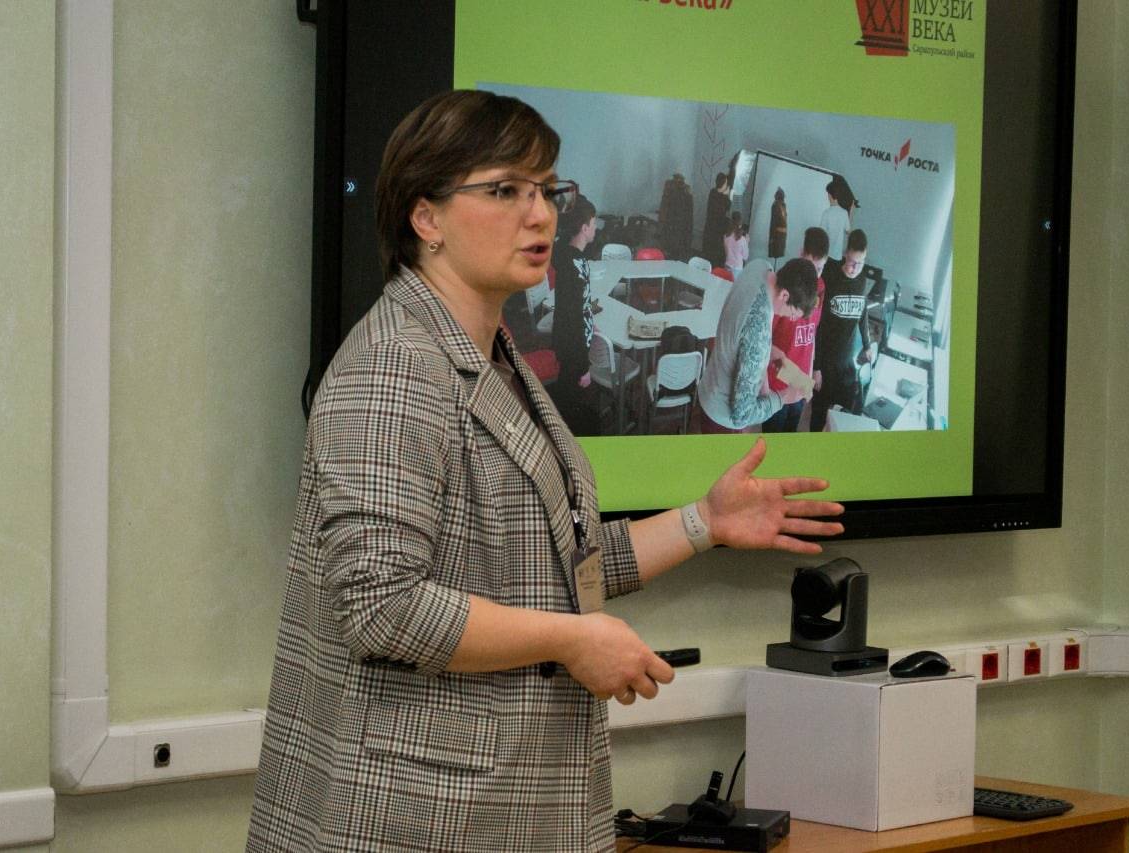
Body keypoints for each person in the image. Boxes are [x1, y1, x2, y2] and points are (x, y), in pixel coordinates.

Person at [246, 90, 845, 853]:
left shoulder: (494, 359)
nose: (541, 215)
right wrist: (571, 639)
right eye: (506, 191)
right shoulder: (396, 364)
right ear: (425, 217)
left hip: (499, 807)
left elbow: (560, 564)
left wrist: (705, 522)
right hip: (417, 818)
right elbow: (383, 605)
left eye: (545, 190)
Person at [696, 258, 810, 433]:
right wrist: (783, 397)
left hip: (710, 387)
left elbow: (743, 333)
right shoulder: (758, 332)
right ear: (784, 295)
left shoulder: (760, 267)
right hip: (722, 419)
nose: (792, 319)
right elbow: (742, 415)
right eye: (793, 313)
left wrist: (766, 352)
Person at [809, 228, 875, 431]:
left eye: (860, 263)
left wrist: (867, 344)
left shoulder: (862, 280)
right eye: (852, 262)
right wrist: (816, 367)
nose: (855, 268)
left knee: (843, 416)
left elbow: (862, 313)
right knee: (818, 415)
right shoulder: (829, 274)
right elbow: (818, 325)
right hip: (825, 362)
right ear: (845, 253)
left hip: (846, 362)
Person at [762, 235, 827, 434]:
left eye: (819, 269)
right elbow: (765, 344)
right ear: (801, 254)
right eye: (810, 266)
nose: (813, 277)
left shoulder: (821, 288)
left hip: (800, 383)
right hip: (777, 384)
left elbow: (812, 335)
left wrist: (807, 379)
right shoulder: (784, 292)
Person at [549, 194, 598, 434]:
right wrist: (584, 367)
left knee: (567, 396)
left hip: (570, 344)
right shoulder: (574, 265)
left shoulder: (568, 254)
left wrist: (590, 320)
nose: (596, 228)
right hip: (573, 350)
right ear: (584, 228)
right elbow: (573, 319)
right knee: (569, 403)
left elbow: (579, 308)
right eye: (594, 223)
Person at [700, 172, 731, 267]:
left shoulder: (712, 192)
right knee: (713, 257)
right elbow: (726, 208)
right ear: (723, 184)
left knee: (709, 255)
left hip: (710, 229)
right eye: (726, 183)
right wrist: (726, 195)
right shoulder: (720, 196)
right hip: (716, 231)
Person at [817, 177, 851, 262]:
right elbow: (848, 231)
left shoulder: (826, 213)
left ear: (830, 195)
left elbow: (821, 234)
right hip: (837, 256)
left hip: (826, 255)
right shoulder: (844, 213)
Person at [723, 210, 749, 278]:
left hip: (727, 266)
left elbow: (726, 254)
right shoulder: (743, 239)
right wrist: (747, 243)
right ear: (740, 223)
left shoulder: (726, 236)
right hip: (737, 269)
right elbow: (745, 257)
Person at [768, 187, 788, 259]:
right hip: (777, 234)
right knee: (776, 251)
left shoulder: (782, 205)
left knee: (778, 251)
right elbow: (773, 221)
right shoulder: (776, 205)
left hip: (781, 234)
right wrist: (772, 236)